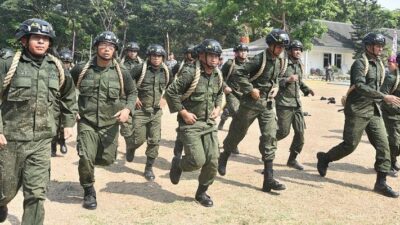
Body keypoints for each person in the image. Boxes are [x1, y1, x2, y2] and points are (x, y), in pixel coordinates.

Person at [0, 18, 77, 224]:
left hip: (42, 142)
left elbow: (69, 94)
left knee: (36, 194)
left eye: (45, 38)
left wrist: (68, 122)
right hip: (10, 141)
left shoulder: (57, 67)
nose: (41, 42)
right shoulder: (8, 63)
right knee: (4, 192)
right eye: (36, 38)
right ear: (24, 40)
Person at [316, 33, 400, 198]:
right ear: (369, 46)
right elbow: (360, 86)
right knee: (350, 145)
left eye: (382, 46)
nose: (381, 48)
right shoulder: (360, 63)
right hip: (357, 110)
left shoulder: (380, 65)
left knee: (384, 145)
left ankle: (381, 183)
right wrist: (384, 97)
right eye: (378, 45)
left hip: (374, 110)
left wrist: (386, 98)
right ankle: (325, 158)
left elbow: (383, 86)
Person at [70, 31, 137, 209]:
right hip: (87, 121)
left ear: (115, 50)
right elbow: (66, 90)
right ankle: (88, 190)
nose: (107, 49)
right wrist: (73, 109)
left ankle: (92, 168)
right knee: (86, 157)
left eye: (111, 46)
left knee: (107, 160)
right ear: (96, 47)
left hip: (110, 123)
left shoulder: (122, 72)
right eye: (103, 45)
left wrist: (127, 109)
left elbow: (132, 93)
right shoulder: (81, 68)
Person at [218, 28, 289, 193]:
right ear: (270, 45)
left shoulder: (280, 61)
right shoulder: (259, 59)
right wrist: (250, 89)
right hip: (250, 103)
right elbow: (239, 74)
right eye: (278, 46)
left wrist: (277, 86)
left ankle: (268, 179)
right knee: (237, 133)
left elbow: (277, 78)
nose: (280, 49)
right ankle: (224, 156)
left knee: (270, 136)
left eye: (282, 47)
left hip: (267, 104)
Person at [166, 39, 223, 207]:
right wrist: (183, 113)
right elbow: (171, 93)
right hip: (190, 124)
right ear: (202, 55)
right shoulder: (190, 72)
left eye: (217, 56)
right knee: (197, 161)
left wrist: (218, 107)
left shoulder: (217, 74)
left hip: (209, 124)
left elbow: (219, 93)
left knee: (212, 161)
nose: (214, 59)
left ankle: (201, 192)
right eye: (211, 55)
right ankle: (178, 164)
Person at [123, 44, 171, 181]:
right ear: (149, 56)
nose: (156, 59)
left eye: (159, 56)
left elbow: (172, 86)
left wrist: (165, 98)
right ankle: (131, 147)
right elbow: (127, 80)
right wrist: (135, 96)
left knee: (154, 140)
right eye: (154, 56)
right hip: (140, 111)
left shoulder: (166, 71)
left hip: (156, 112)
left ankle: (148, 168)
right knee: (138, 139)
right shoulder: (140, 68)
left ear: (163, 57)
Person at [275, 40, 315, 170]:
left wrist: (307, 89)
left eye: (300, 49)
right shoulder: (282, 63)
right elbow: (273, 81)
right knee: (283, 132)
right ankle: (267, 141)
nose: (298, 51)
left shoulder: (299, 65)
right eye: (295, 49)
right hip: (284, 103)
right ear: (290, 50)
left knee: (300, 133)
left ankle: (292, 159)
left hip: (297, 103)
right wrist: (287, 80)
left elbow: (299, 82)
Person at [171, 44, 197, 159]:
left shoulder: (199, 66)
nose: (191, 55)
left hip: (198, 98)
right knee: (182, 128)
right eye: (189, 53)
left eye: (192, 53)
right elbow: (171, 75)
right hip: (184, 99)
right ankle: (177, 155)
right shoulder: (180, 65)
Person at [218, 43, 249, 133]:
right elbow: (220, 77)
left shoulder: (250, 64)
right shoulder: (229, 63)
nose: (243, 53)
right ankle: (236, 130)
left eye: (245, 51)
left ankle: (225, 119)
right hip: (231, 92)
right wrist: (225, 86)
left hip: (245, 93)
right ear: (236, 53)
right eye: (241, 51)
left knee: (229, 110)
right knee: (236, 112)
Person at [51, 49, 74, 157]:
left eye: (67, 63)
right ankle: (53, 146)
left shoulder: (72, 74)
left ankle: (63, 142)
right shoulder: (54, 71)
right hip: (54, 102)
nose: (65, 65)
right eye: (63, 62)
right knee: (54, 125)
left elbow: (74, 92)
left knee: (63, 124)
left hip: (66, 103)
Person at [380, 53, 400, 177]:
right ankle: (390, 164)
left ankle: (391, 160)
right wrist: (395, 107)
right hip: (391, 114)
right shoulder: (392, 78)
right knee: (395, 142)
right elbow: (383, 95)